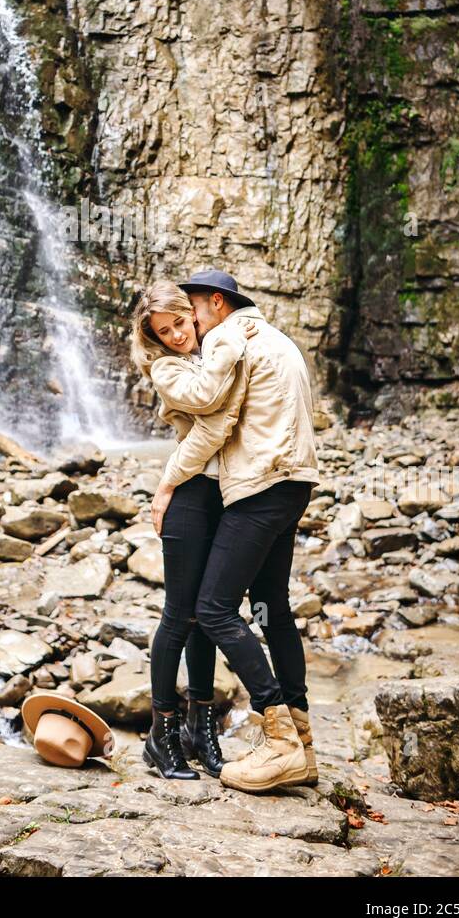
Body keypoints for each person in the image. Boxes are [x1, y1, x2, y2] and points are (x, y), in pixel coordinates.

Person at [147, 268, 321, 795]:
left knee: (214, 609)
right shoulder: (273, 338)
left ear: (215, 304)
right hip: (293, 483)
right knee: (271, 606)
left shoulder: (230, 337)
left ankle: (280, 738)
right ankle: (302, 740)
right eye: (168, 327)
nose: (187, 326)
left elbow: (219, 423)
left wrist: (166, 481)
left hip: (258, 488)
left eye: (189, 312)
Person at [130, 279, 254, 780]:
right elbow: (212, 409)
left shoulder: (214, 343)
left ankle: (199, 729)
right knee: (179, 616)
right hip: (188, 498)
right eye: (166, 331)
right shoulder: (167, 368)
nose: (178, 335)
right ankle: (161, 735)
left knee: (209, 614)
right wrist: (164, 486)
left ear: (193, 313)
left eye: (182, 322)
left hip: (224, 493)